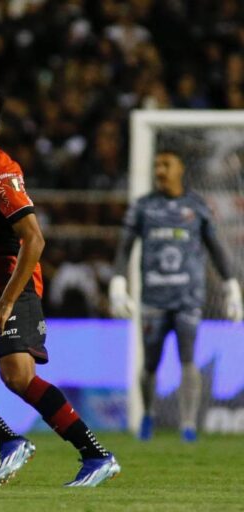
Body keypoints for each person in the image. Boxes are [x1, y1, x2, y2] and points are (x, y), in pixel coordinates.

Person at [0, 84, 120, 488]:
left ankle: (96, 455)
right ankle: (9, 441)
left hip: (12, 287)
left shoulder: (3, 174)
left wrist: (5, 303)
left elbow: (34, 240)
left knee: (17, 377)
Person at [109, 150, 243, 442]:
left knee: (188, 358)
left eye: (166, 164)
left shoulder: (197, 206)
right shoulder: (143, 207)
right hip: (154, 299)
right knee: (150, 363)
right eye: (157, 164)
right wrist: (119, 283)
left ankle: (188, 424)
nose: (160, 170)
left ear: (181, 168)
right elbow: (125, 247)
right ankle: (147, 414)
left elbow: (217, 248)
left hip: (189, 297)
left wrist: (231, 284)